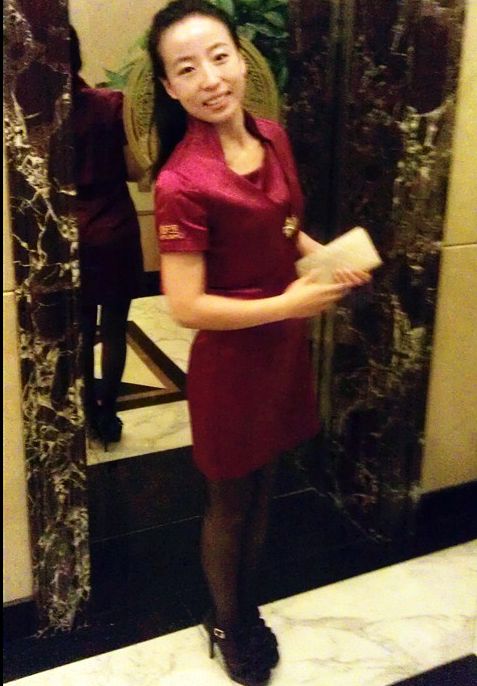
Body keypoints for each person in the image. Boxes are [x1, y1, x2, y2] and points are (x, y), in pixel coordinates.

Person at [148, 2, 370, 683]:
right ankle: (226, 620)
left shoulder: (272, 137)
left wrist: (324, 259)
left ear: (242, 60)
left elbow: (284, 229)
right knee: (229, 501)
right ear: (169, 87)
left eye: (219, 57)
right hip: (231, 364)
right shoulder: (180, 183)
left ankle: (246, 605)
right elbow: (185, 306)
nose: (210, 78)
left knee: (268, 482)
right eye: (187, 68)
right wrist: (288, 303)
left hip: (281, 352)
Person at [69, 26, 145, 450]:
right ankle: (108, 414)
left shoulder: (43, 116)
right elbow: (135, 170)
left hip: (73, 233)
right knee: (115, 327)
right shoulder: (113, 104)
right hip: (115, 228)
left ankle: (83, 410)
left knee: (81, 329)